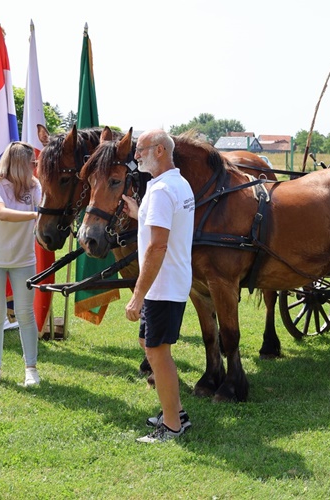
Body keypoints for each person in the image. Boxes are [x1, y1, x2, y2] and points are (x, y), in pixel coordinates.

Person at [121, 129, 195, 443]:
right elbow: (164, 225)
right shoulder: (176, 184)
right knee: (149, 346)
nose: (136, 155)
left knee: (157, 351)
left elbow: (157, 247)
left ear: (161, 150)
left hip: (162, 285)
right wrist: (140, 214)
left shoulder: (164, 190)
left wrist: (137, 296)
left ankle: (172, 427)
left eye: (141, 149)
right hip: (168, 281)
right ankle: (175, 412)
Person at [0, 142, 41, 386]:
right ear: (18, 163)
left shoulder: (34, 186)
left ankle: (31, 369)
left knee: (25, 314)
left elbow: (47, 206)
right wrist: (37, 214)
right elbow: (2, 213)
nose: (34, 167)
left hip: (23, 259)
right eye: (31, 163)